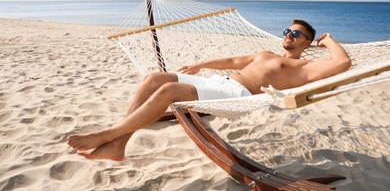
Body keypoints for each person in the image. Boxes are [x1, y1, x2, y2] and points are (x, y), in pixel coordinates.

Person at [67, 19, 351, 161]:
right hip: (220, 83)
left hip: (237, 98)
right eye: (287, 31)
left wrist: (328, 41)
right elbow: (232, 61)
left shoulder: (303, 69)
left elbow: (342, 63)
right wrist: (202, 64)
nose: (288, 35)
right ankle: (118, 145)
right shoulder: (265, 53)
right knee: (154, 78)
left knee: (170, 92)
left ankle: (111, 135)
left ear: (306, 43)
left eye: (296, 33)